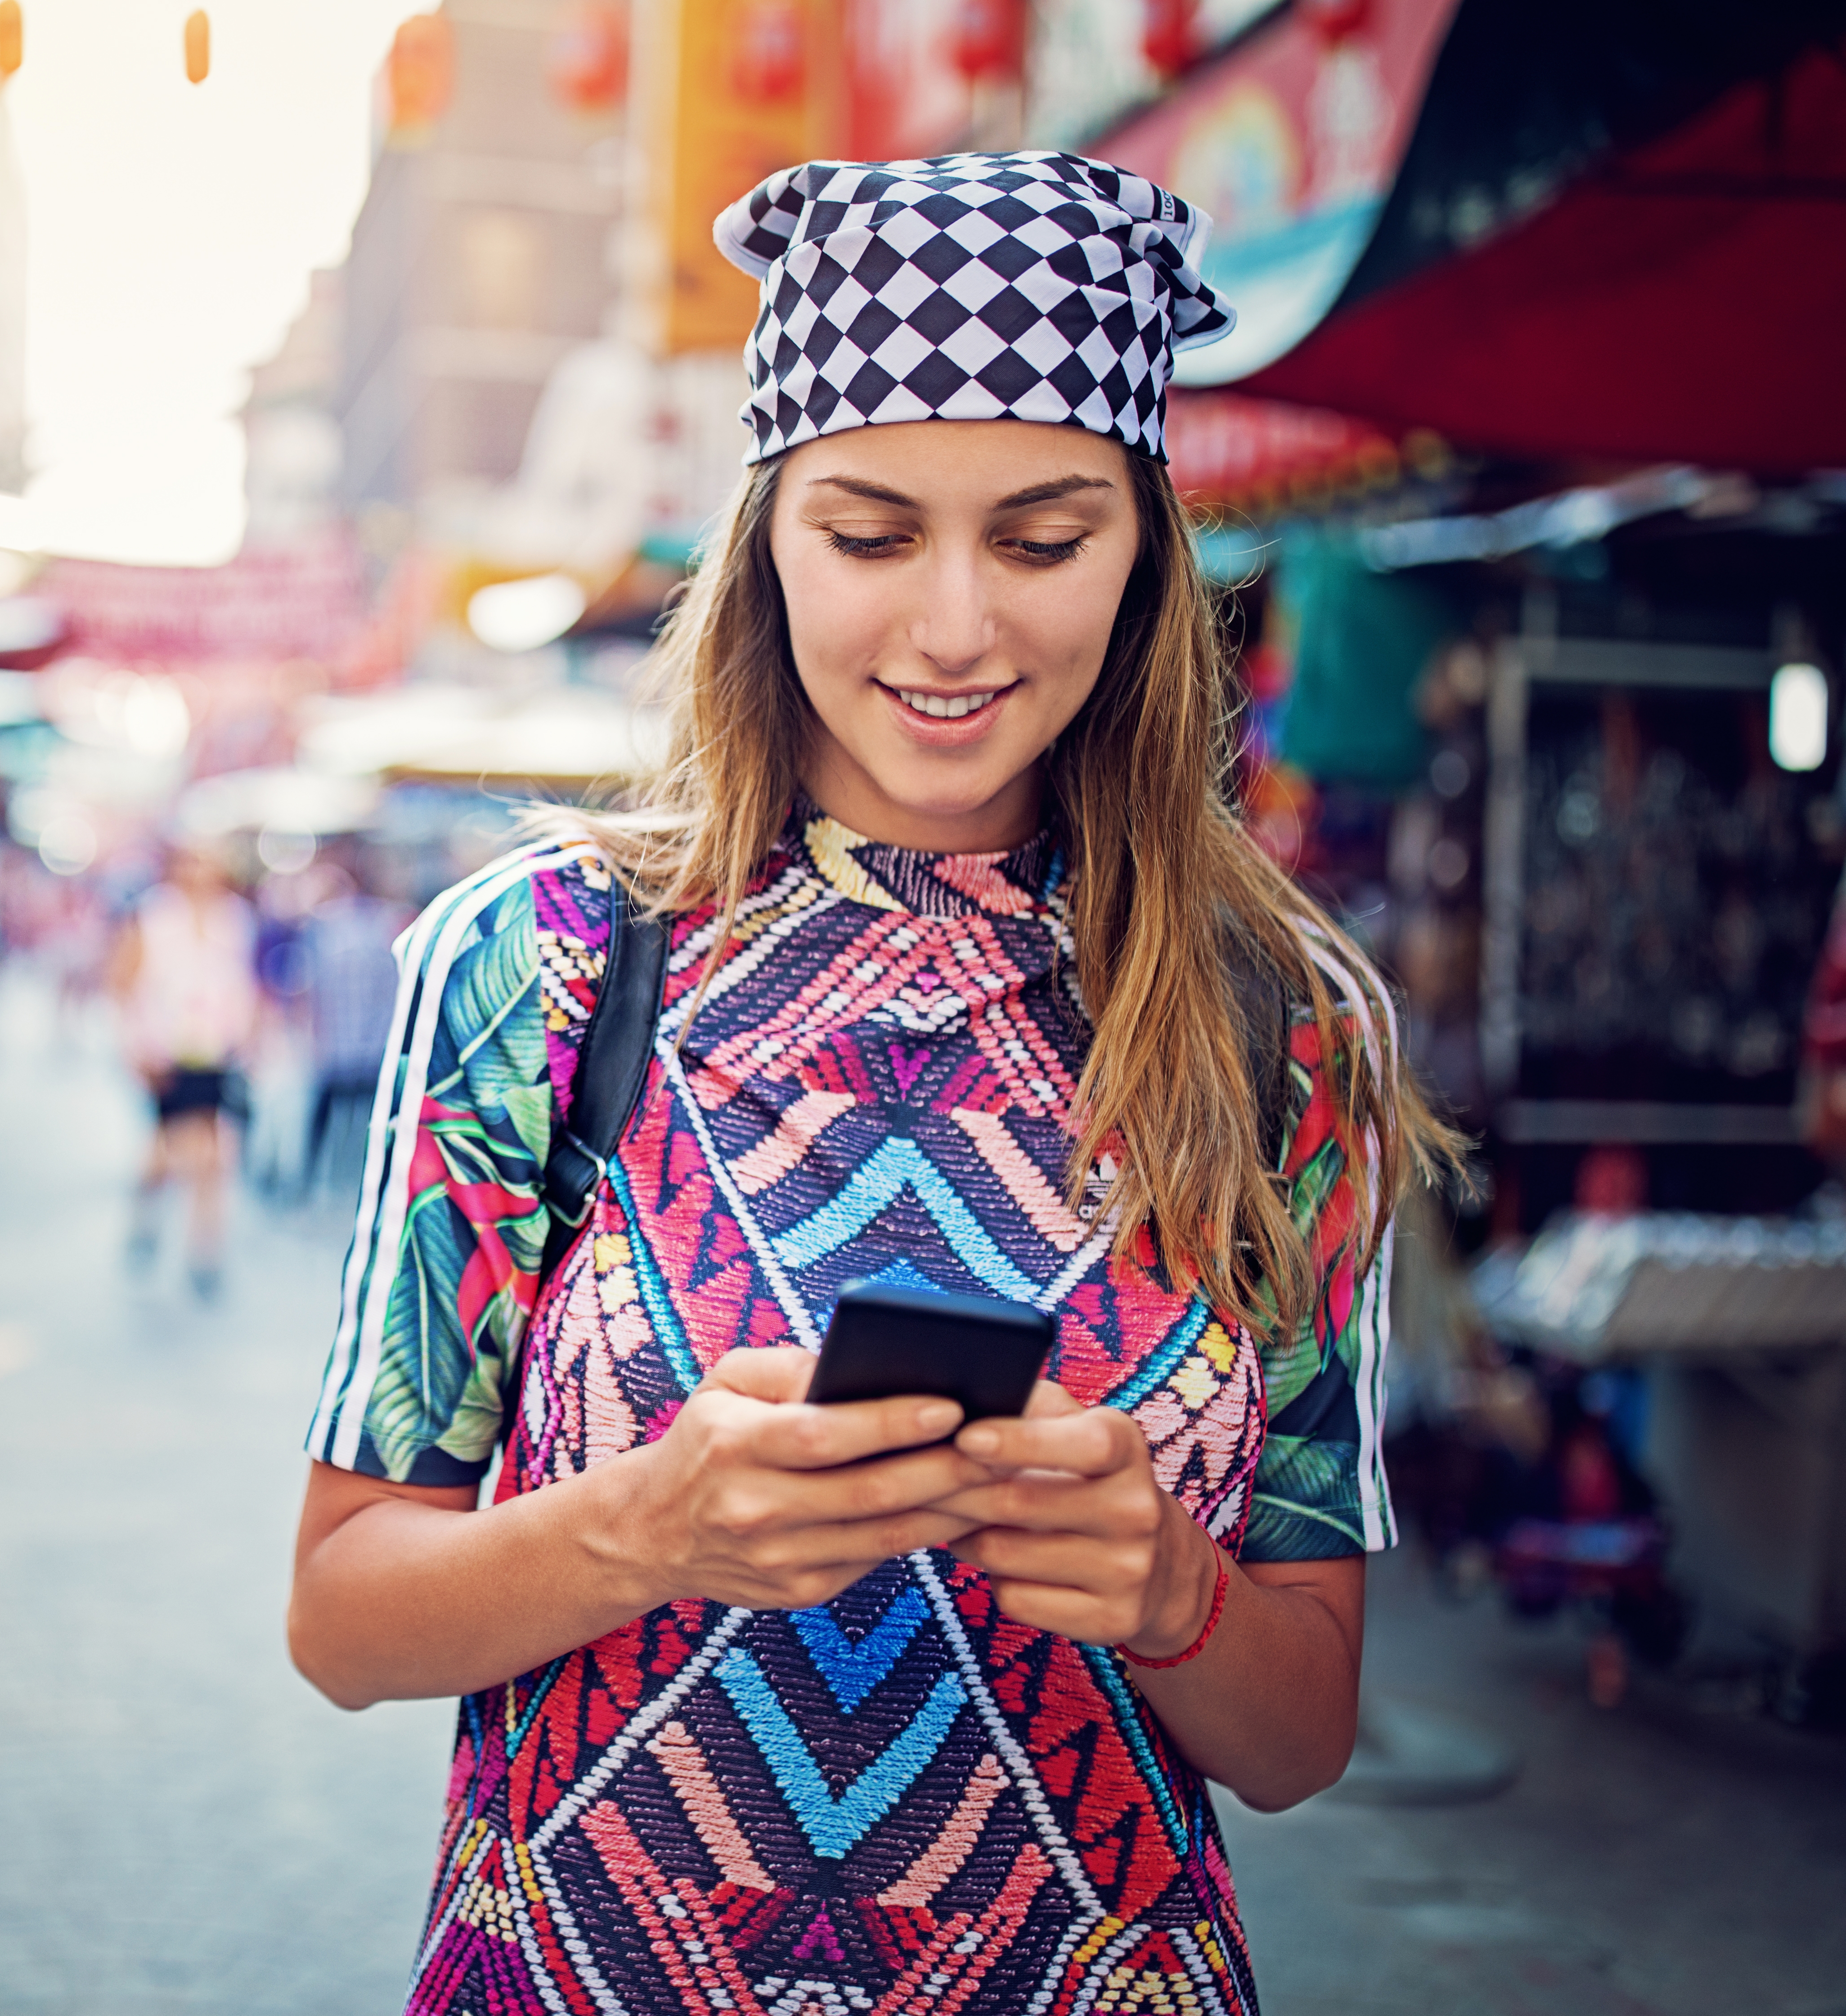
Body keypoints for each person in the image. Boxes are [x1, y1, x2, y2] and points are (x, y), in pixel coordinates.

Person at [289, 153, 1457, 2015]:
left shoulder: (1292, 1023)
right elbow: (344, 1616)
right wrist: (648, 1522)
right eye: (871, 530)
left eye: (1045, 537)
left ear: (1150, 552)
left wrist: (1169, 1587)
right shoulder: (540, 966)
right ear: (762, 533)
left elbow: (1303, 1727)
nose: (953, 629)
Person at [113, 842, 257, 1296]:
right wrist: (135, 1045)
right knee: (165, 1154)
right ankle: (146, 1216)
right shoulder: (153, 915)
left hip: (215, 1051)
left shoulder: (234, 917)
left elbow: (242, 979)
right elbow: (122, 981)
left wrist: (250, 1034)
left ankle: (205, 1253)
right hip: (166, 1051)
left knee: (214, 1157)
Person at [297, 855, 414, 1199]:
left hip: (355, 1038)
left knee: (338, 1110)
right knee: (364, 1111)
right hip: (366, 1039)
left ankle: (313, 1178)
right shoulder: (384, 921)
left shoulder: (338, 925)